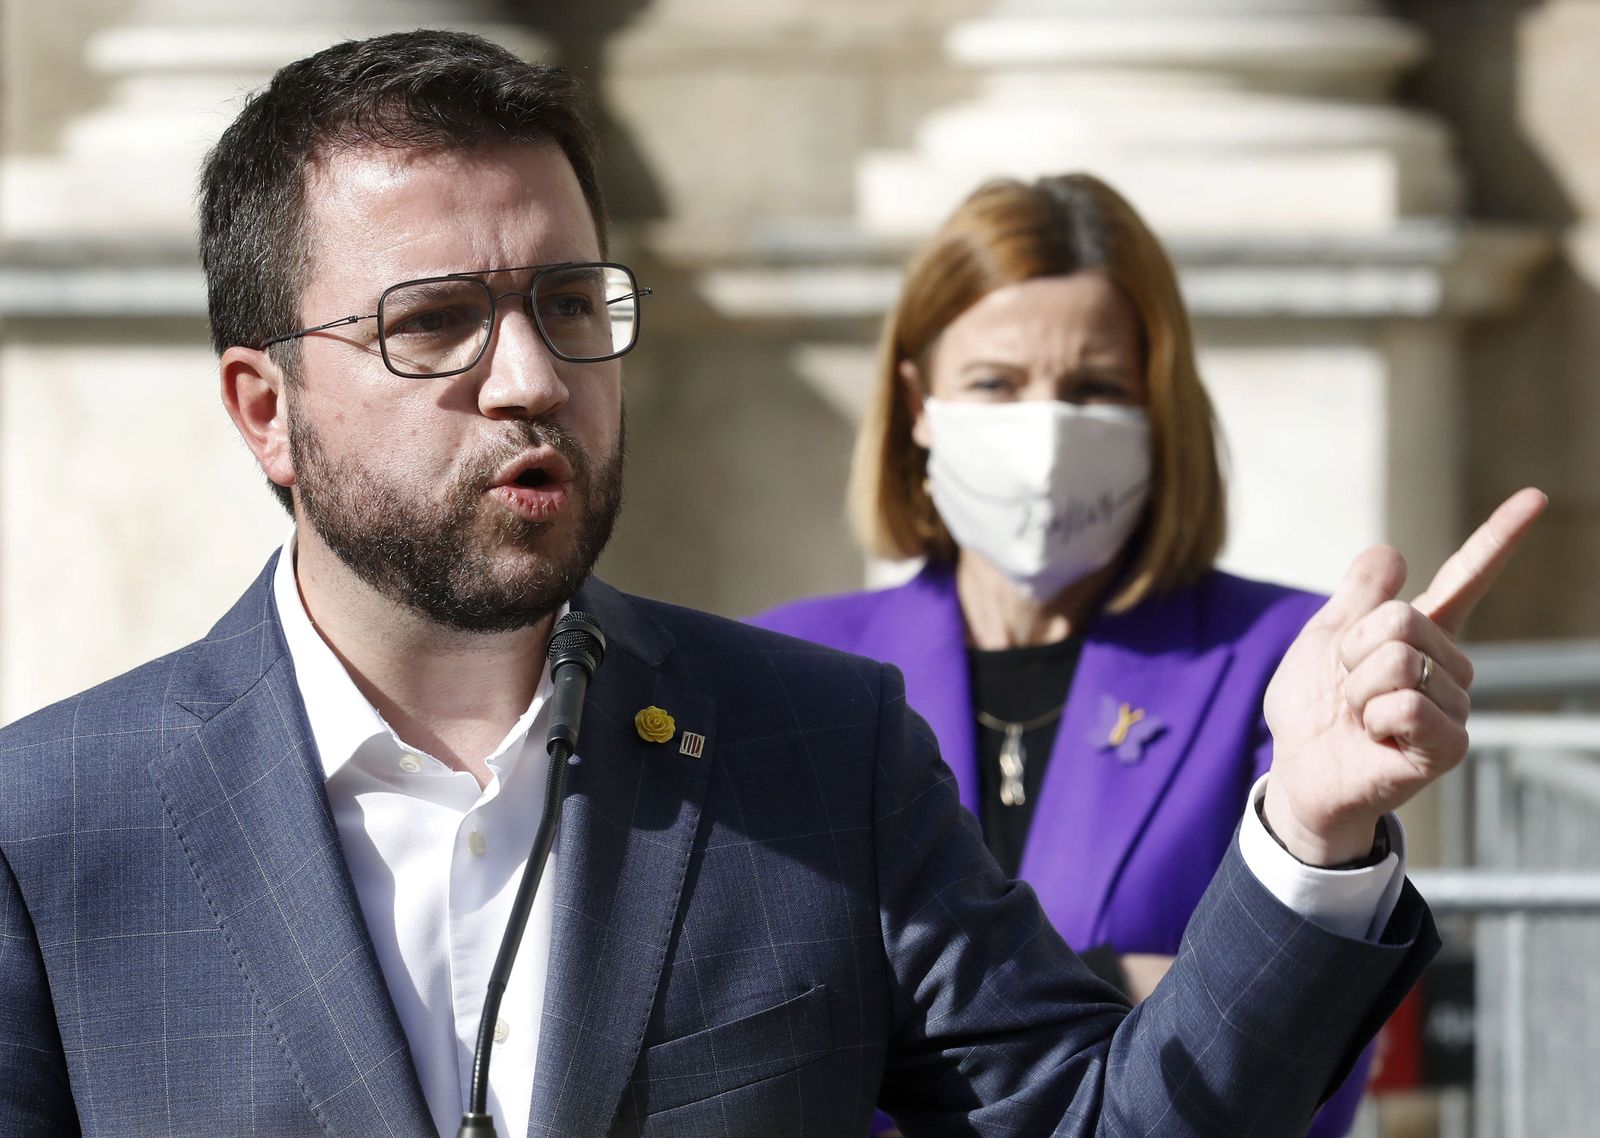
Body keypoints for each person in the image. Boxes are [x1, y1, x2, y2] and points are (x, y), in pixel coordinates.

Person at [0, 28, 1543, 1138]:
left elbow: (1107, 1120)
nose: (530, 377)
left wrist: (1312, 835)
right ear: (265, 407)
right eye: (436, 322)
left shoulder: (815, 748)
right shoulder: (55, 828)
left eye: (565, 300)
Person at [751, 173, 1359, 1133]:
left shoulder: (1283, 661)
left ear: (1158, 407)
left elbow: (1299, 1049)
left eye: (1095, 389)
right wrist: (1135, 982)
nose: (1044, 433)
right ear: (918, 403)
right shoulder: (787, 664)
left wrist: (909, 1001)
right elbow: (747, 1029)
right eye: (995, 384)